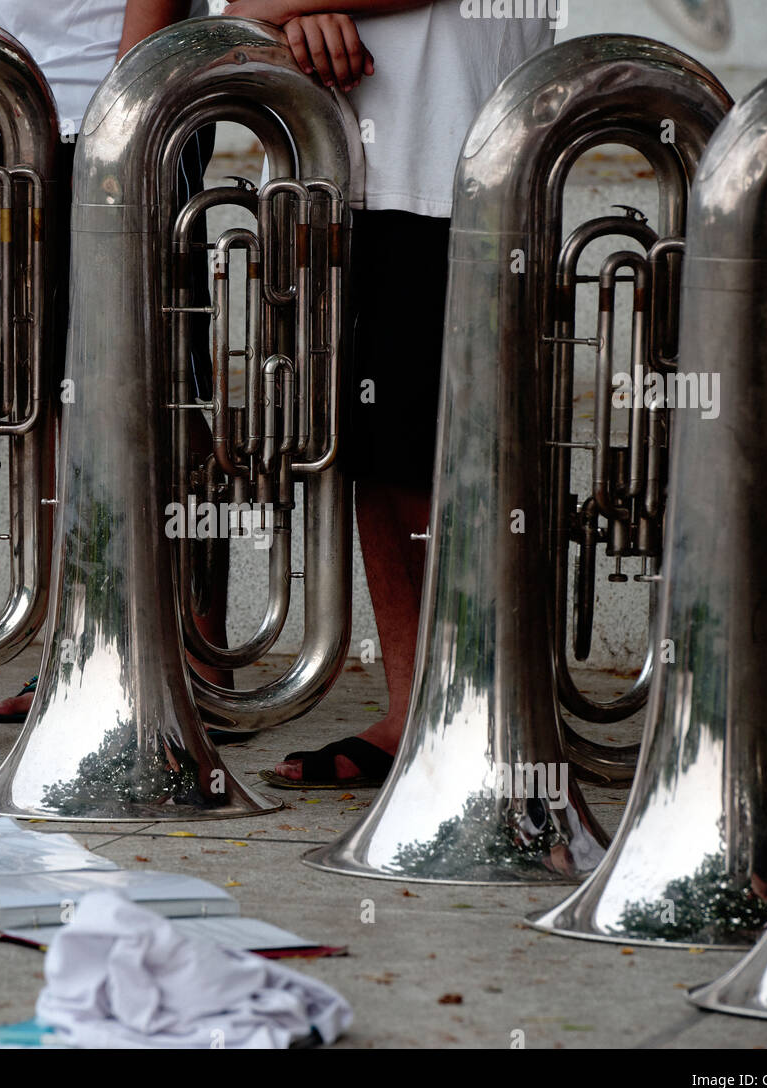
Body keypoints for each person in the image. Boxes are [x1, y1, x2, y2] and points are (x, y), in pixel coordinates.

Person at [216, 0, 555, 788]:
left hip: (455, 147)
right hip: (333, 153)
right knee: (372, 453)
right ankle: (415, 712)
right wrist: (297, 15)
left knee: (445, 455)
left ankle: (476, 716)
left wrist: (270, 5)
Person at [0, 0, 213, 723]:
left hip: (129, 106)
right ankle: (78, 650)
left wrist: (122, 106)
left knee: (155, 384)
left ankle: (190, 655)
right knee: (40, 393)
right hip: (8, 121)